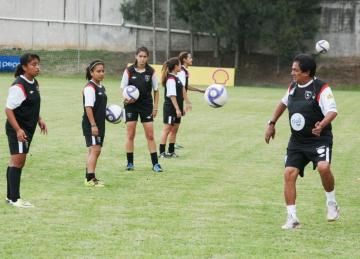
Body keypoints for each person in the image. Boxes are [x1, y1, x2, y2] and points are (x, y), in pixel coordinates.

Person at [265, 54, 340, 229]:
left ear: (306, 72)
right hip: (297, 141)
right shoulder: (293, 87)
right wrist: (272, 123)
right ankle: (292, 218)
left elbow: (332, 111)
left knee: (323, 167)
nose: (292, 73)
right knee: (289, 173)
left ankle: (331, 203)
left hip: (319, 139)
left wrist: (321, 125)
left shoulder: (321, 88)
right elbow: (283, 104)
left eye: (295, 70)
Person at [5, 53, 47, 208]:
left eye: (38, 64)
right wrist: (17, 129)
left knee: (15, 162)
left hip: (27, 128)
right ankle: (15, 199)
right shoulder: (19, 86)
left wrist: (39, 119)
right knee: (18, 162)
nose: (37, 67)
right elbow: (8, 110)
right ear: (24, 67)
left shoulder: (34, 82)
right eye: (33, 64)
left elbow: (31, 105)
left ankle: (10, 197)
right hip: (19, 129)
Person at [120, 47, 162, 173]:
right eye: (140, 56)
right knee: (130, 134)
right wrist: (126, 99)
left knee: (150, 135)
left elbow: (156, 90)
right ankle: (130, 163)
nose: (142, 59)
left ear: (147, 57)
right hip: (131, 106)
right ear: (136, 56)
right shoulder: (129, 71)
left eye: (145, 56)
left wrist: (155, 107)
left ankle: (155, 164)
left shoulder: (151, 72)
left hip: (146, 106)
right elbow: (123, 88)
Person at [167, 52, 203, 153]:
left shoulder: (184, 71)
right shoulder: (181, 71)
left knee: (174, 125)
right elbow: (182, 88)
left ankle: (172, 144)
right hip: (177, 100)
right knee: (172, 126)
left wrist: (199, 90)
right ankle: (170, 146)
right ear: (184, 60)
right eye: (190, 58)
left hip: (179, 100)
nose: (192, 60)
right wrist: (187, 102)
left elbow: (185, 86)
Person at [159, 57, 191, 158]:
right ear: (176, 66)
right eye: (180, 65)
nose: (181, 66)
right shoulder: (170, 79)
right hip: (170, 108)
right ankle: (162, 153)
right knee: (167, 129)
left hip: (177, 108)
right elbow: (172, 96)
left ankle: (171, 151)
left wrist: (184, 106)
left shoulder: (176, 78)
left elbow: (182, 91)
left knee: (174, 130)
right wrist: (177, 109)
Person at [82, 60, 107, 187]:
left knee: (94, 150)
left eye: (103, 71)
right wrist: (93, 125)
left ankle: (89, 176)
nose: (101, 73)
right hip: (92, 124)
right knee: (95, 149)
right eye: (98, 71)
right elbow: (88, 107)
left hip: (99, 123)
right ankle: (90, 179)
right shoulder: (90, 88)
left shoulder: (101, 87)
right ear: (91, 72)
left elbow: (100, 106)